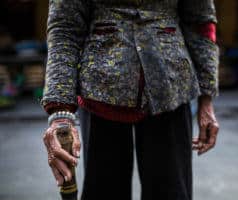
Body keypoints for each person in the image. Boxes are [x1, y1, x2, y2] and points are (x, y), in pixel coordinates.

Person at [41, 0, 220, 200]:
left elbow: (202, 24)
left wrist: (207, 97)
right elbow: (65, 29)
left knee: (171, 192)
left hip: (170, 88)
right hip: (100, 92)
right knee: (103, 191)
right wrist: (59, 112)